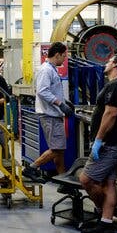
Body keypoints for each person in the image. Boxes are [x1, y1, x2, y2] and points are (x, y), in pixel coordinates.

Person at [79, 53, 117, 233]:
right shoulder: (116, 85)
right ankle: (106, 224)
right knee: (108, 183)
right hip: (111, 143)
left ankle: (103, 215)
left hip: (109, 144)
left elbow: (110, 114)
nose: (106, 63)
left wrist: (99, 140)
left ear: (116, 64)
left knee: (86, 179)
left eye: (110, 60)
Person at [22, 41, 72, 182]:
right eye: (63, 56)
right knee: (56, 149)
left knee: (59, 150)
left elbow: (50, 90)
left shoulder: (50, 68)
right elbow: (43, 91)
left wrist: (64, 101)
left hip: (52, 114)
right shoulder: (46, 70)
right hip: (50, 115)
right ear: (57, 55)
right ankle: (31, 168)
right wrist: (60, 104)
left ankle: (63, 179)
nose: (64, 59)